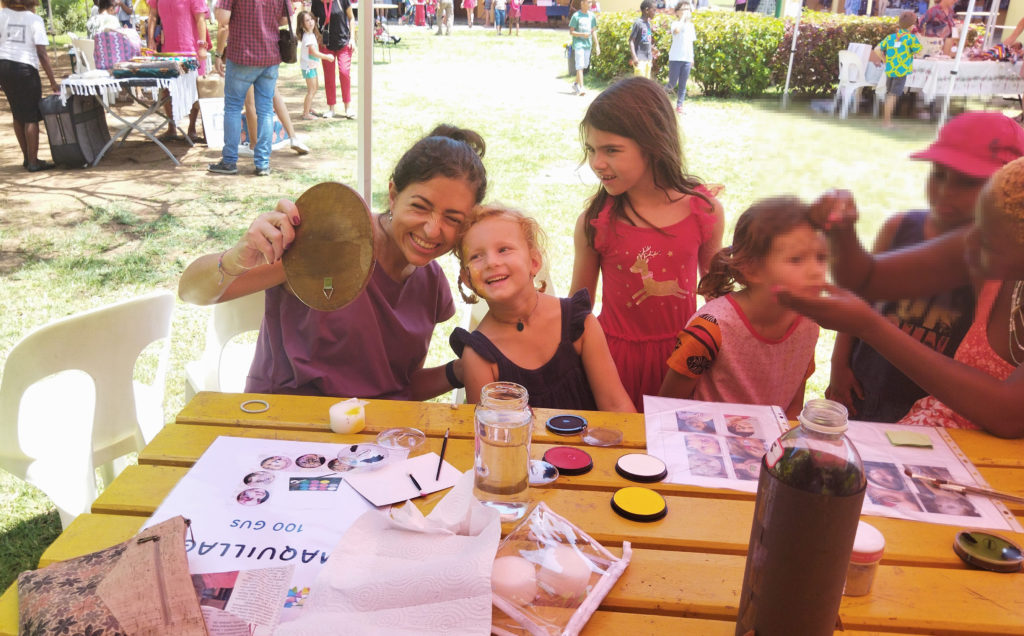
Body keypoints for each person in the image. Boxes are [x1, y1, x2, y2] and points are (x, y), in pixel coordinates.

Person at [180, 125, 487, 399]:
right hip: (285, 429)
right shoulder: (330, 238)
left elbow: (398, 387)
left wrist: (459, 370)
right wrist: (237, 258)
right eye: (420, 207)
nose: (433, 229)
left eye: (453, 218)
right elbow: (191, 290)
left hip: (372, 444)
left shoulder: (430, 283)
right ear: (393, 194)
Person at [777, 156, 1024, 438]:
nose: (973, 239)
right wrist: (841, 231)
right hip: (935, 441)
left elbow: (1010, 415)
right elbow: (868, 277)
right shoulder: (991, 238)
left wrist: (869, 326)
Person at [827, 112, 1023, 422]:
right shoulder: (905, 229)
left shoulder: (999, 265)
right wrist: (839, 365)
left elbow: (1006, 406)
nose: (946, 191)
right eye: (939, 174)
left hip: (932, 406)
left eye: (968, 182)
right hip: (869, 387)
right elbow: (862, 288)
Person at [570, 76, 724, 411]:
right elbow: (578, 311)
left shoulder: (703, 211)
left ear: (652, 144)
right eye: (592, 150)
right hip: (611, 365)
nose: (597, 163)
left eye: (611, 150)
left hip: (685, 363)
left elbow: (718, 301)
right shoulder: (595, 223)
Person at [449, 206, 635, 412]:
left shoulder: (579, 322)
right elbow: (492, 435)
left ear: (534, 262)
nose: (491, 262)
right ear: (467, 279)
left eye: (503, 249)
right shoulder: (478, 355)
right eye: (476, 256)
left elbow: (616, 405)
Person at [660, 197, 824, 419]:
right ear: (751, 269)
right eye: (796, 259)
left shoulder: (809, 325)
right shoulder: (709, 330)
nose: (816, 271)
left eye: (821, 257)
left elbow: (793, 410)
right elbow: (666, 409)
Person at [208, 0, 291, 176]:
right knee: (266, 110)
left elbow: (223, 18)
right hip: (270, 55)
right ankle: (262, 163)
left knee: (233, 107)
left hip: (241, 55)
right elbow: (285, 19)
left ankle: (229, 161)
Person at [0, 0, 58, 172]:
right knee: (31, 115)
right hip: (25, 68)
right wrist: (53, 81)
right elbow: (41, 52)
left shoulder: (1, 15)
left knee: (17, 113)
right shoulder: (34, 20)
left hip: (4, 67)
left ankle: (27, 157)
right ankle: (33, 161)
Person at [148, 0, 209, 142]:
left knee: (194, 90)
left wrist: (202, 46)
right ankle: (171, 127)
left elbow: (201, 19)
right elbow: (152, 15)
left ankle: (192, 128)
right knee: (166, 89)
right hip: (167, 50)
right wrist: (150, 40)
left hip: (191, 50)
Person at [873, 11, 920, 129]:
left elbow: (877, 49)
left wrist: (884, 60)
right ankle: (886, 122)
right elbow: (919, 51)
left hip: (890, 69)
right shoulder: (911, 38)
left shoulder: (891, 37)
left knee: (890, 94)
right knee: (893, 96)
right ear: (912, 26)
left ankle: (886, 121)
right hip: (901, 71)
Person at [312, 0, 355, 120]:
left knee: (344, 73)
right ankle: (331, 108)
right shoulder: (316, 2)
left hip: (344, 42)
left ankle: (348, 107)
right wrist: (317, 34)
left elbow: (351, 18)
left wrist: (352, 39)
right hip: (326, 45)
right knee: (329, 76)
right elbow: (312, 20)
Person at [297, 10, 334, 120]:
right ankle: (305, 113)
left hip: (311, 66)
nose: (311, 22)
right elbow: (313, 52)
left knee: (315, 87)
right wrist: (327, 57)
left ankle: (308, 108)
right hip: (308, 67)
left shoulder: (311, 34)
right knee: (311, 90)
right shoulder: (307, 37)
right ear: (302, 24)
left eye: (311, 19)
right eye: (307, 20)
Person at [666, 1, 695, 115]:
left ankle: (679, 106)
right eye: (683, 9)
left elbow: (691, 43)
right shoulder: (675, 23)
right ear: (677, 12)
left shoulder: (691, 26)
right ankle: (660, 98)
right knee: (672, 83)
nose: (686, 11)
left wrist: (692, 58)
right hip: (675, 58)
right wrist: (683, 18)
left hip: (686, 59)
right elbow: (677, 31)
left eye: (688, 9)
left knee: (683, 84)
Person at [568, 0, 599, 96]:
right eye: (588, 2)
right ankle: (581, 88)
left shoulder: (592, 16)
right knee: (580, 66)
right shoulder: (576, 16)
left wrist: (597, 45)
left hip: (587, 44)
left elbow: (593, 31)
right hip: (578, 44)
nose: (590, 4)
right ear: (582, 3)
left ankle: (575, 84)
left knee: (584, 65)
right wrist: (582, 34)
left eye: (591, 2)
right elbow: (571, 32)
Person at [629, 0, 655, 79]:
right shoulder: (638, 23)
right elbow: (631, 41)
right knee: (639, 84)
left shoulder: (648, 23)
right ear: (647, 10)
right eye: (653, 10)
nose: (655, 13)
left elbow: (646, 40)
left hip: (648, 59)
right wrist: (634, 57)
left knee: (646, 83)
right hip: (640, 59)